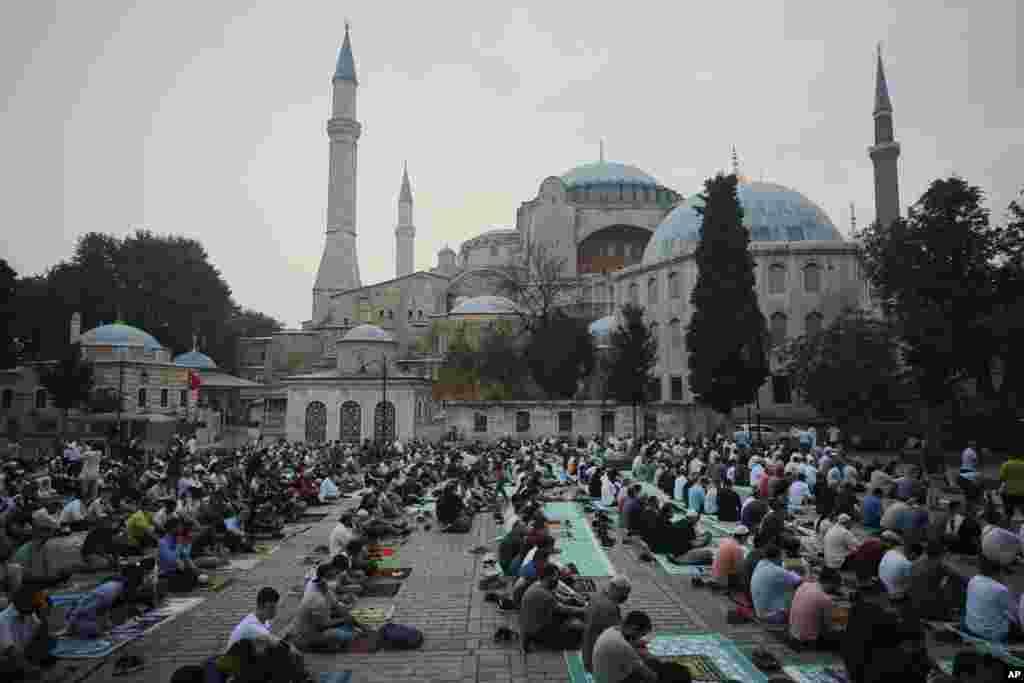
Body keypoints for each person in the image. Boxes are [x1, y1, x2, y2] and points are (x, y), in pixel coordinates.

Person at [218, 587, 309, 683]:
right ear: (261, 606)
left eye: (275, 607)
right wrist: (296, 654)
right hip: (233, 669)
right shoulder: (252, 626)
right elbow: (280, 644)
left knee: (279, 654)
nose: (275, 611)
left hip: (246, 660)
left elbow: (272, 640)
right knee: (283, 655)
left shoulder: (261, 621)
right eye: (271, 608)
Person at [293, 561, 365, 652]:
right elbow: (322, 626)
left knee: (350, 627)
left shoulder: (324, 588)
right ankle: (315, 646)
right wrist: (345, 620)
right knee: (342, 635)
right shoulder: (316, 599)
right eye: (332, 577)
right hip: (307, 635)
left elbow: (337, 606)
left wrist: (356, 622)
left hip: (319, 626)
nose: (334, 581)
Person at [520, 564, 585, 651]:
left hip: (533, 625)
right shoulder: (543, 594)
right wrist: (583, 610)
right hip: (538, 632)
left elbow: (559, 598)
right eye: (556, 577)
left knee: (573, 619)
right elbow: (563, 609)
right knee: (578, 629)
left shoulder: (538, 585)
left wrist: (572, 599)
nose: (558, 580)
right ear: (548, 577)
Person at [962, 555, 1022, 644]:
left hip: (971, 628)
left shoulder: (974, 579)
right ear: (1000, 571)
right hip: (993, 634)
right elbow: (1018, 616)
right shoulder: (1000, 589)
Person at [0, 586, 55, 680]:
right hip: (7, 661)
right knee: (8, 664)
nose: (35, 606)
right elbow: (12, 653)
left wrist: (43, 617)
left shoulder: (29, 614)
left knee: (49, 645)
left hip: (21, 657)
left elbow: (42, 637)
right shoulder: (3, 620)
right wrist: (31, 669)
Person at [10, 511, 72, 593]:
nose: (51, 534)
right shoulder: (26, 550)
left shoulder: (45, 546)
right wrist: (53, 578)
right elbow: (25, 577)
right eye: (46, 530)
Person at [581, 574, 631, 673]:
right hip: (598, 657)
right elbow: (617, 635)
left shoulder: (598, 595)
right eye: (624, 594)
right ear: (616, 589)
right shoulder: (609, 607)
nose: (625, 597)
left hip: (588, 648)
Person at [591, 611, 659, 683]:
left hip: (601, 677)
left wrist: (636, 644)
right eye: (641, 634)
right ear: (634, 628)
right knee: (652, 664)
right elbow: (649, 675)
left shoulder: (612, 630)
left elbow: (626, 644)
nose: (640, 638)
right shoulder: (623, 646)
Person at [788, 568, 843, 650]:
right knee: (844, 636)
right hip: (809, 642)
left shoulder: (804, 585)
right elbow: (829, 628)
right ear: (831, 583)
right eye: (836, 586)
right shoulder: (825, 599)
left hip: (793, 636)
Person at [906, 539, 960, 622]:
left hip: (914, 605)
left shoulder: (915, 563)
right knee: (953, 582)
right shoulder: (940, 565)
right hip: (930, 609)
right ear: (941, 553)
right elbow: (958, 575)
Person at [750, 544, 802, 624]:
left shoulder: (760, 563)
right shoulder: (777, 571)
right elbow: (799, 581)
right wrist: (807, 569)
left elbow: (784, 568)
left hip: (759, 610)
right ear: (778, 556)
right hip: (772, 616)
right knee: (797, 590)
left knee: (784, 585)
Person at [879, 537, 919, 601]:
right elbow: (909, 581)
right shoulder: (907, 563)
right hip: (897, 593)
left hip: (883, 584)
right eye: (915, 558)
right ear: (913, 554)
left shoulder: (890, 552)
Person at [709, 526, 749, 590]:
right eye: (747, 538)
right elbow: (740, 570)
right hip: (724, 581)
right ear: (743, 537)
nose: (747, 540)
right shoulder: (737, 548)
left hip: (715, 575)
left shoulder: (725, 541)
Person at [1000, 451, 1024, 522]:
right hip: (1022, 493)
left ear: (1010, 456)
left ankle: (1008, 523)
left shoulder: (1006, 464)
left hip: (1008, 493)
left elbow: (1002, 478)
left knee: (1008, 512)